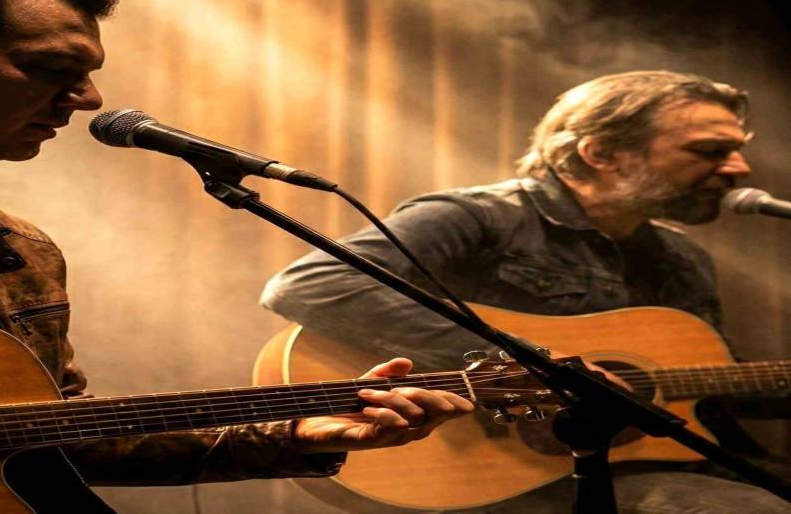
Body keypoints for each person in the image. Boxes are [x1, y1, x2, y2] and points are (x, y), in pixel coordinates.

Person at [0, 0, 472, 508]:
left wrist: (298, 434)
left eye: (89, 77)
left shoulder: (16, 249)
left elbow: (66, 438)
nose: (88, 99)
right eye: (52, 69)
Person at [261, 70, 790, 512]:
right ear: (602, 152)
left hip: (648, 461)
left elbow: (722, 386)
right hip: (491, 467)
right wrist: (534, 364)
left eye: (737, 151)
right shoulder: (477, 217)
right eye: (711, 151)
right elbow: (313, 284)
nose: (738, 169)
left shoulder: (680, 257)